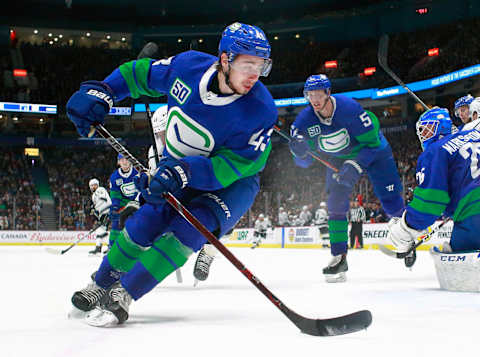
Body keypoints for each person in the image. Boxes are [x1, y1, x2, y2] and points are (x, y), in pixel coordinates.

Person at [66, 22, 277, 326]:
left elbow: (232, 167)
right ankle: (99, 285)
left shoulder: (262, 111)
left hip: (232, 184)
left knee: (191, 228)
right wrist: (106, 91)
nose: (255, 74)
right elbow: (138, 74)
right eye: (248, 64)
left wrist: (183, 171)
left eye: (262, 66)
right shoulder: (188, 66)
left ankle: (124, 293)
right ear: (225, 58)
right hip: (180, 170)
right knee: (145, 223)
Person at [288, 74, 404, 283]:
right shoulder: (304, 122)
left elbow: (373, 143)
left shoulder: (349, 109)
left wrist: (355, 164)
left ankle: (407, 238)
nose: (314, 99)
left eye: (318, 94)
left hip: (375, 153)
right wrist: (299, 152)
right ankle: (339, 257)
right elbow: (303, 163)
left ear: (328, 93)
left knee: (390, 201)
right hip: (339, 159)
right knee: (335, 203)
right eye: (309, 94)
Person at [385, 107, 480, 291]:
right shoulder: (472, 135)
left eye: (427, 128)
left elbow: (429, 203)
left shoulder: (436, 150)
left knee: (459, 254)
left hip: (474, 212)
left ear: (442, 127)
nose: (423, 135)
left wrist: (406, 228)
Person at [108, 154, 139, 249]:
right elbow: (115, 195)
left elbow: (143, 189)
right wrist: (115, 208)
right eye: (121, 160)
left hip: (139, 202)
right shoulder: (114, 177)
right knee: (116, 222)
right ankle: (112, 247)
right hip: (124, 204)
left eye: (126, 159)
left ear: (131, 160)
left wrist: (136, 202)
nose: (124, 162)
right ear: (118, 162)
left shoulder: (138, 171)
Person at [88, 178, 111, 255]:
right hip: (102, 214)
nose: (93, 187)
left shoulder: (100, 189)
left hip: (106, 212)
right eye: (91, 185)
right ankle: (98, 248)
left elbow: (104, 200)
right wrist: (94, 210)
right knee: (99, 231)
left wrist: (95, 208)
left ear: (97, 185)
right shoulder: (93, 196)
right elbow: (97, 207)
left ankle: (109, 247)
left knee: (101, 230)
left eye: (94, 185)